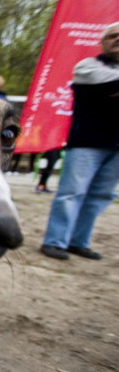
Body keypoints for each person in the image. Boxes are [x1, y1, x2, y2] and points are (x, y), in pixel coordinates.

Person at [40, 21, 119, 261]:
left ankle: (78, 241)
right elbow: (109, 90)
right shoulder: (88, 67)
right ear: (102, 41)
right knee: (71, 192)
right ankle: (55, 241)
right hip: (87, 142)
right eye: (113, 35)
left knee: (101, 195)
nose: (118, 39)